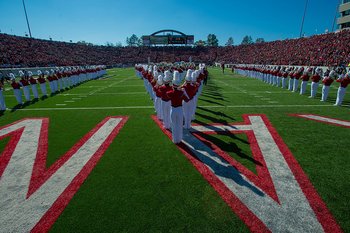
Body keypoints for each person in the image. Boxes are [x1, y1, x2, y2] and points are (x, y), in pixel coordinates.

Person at [167, 71, 189, 144]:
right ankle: (179, 139)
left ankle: (175, 139)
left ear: (173, 86)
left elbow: (168, 93)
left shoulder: (170, 93)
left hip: (173, 109)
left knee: (174, 125)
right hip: (180, 110)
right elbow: (187, 100)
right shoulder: (181, 93)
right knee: (179, 125)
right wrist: (182, 91)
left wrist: (176, 88)